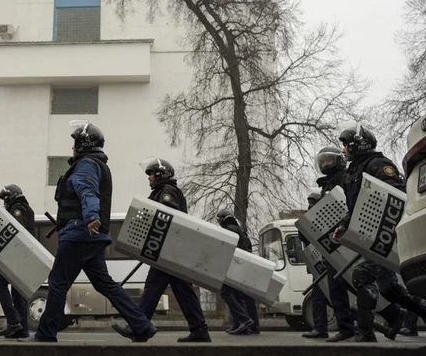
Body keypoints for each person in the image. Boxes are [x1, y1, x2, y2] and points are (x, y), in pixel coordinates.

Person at [23, 121, 157, 342]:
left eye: (75, 143)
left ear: (83, 144)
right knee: (105, 283)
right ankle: (141, 325)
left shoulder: (86, 164)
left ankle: (45, 333)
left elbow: (87, 190)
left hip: (78, 235)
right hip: (92, 238)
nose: (72, 148)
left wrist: (91, 217)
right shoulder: (98, 164)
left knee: (57, 284)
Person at [332, 122, 426, 342]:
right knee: (390, 289)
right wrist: (344, 225)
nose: (343, 149)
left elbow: (395, 194)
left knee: (361, 275)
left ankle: (365, 333)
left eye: (345, 144)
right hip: (370, 234)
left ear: (357, 145)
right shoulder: (354, 171)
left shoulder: (377, 164)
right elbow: (357, 207)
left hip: (384, 232)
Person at [112, 158, 211, 342]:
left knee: (152, 288)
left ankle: (139, 327)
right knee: (183, 291)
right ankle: (199, 329)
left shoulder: (167, 192)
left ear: (159, 174)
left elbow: (167, 214)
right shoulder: (163, 191)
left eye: (150, 174)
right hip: (170, 251)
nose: (149, 178)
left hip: (167, 251)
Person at [311, 147, 359, 343]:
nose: (325, 164)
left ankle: (350, 327)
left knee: (346, 285)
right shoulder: (327, 184)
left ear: (338, 161)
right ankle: (347, 326)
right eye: (323, 161)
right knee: (335, 286)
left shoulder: (343, 178)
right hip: (333, 240)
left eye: (329, 161)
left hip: (344, 239)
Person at [0, 184, 35, 339]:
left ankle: (13, 322)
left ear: (11, 196)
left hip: (15, 255)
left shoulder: (17, 208)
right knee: (18, 293)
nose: (5, 203)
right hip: (23, 256)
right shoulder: (25, 208)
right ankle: (22, 329)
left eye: (5, 199)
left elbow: (14, 229)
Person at [216, 210, 260, 336]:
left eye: (219, 219)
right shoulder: (237, 228)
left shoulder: (230, 229)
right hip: (241, 266)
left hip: (233, 265)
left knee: (226, 292)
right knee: (238, 295)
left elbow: (228, 249)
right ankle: (243, 324)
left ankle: (244, 320)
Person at [298, 193, 329, 339]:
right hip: (318, 263)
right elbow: (303, 238)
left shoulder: (326, 216)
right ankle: (320, 327)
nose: (310, 205)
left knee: (335, 296)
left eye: (313, 202)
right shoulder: (309, 218)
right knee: (318, 297)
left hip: (329, 262)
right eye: (309, 202)